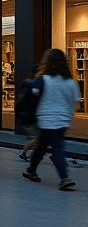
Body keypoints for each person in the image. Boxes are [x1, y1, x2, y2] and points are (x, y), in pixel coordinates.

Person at [22, 48, 79, 191]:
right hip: (63, 120)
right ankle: (64, 178)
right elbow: (74, 101)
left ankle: (31, 171)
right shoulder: (70, 82)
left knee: (42, 145)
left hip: (45, 119)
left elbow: (31, 95)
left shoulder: (44, 80)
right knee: (57, 147)